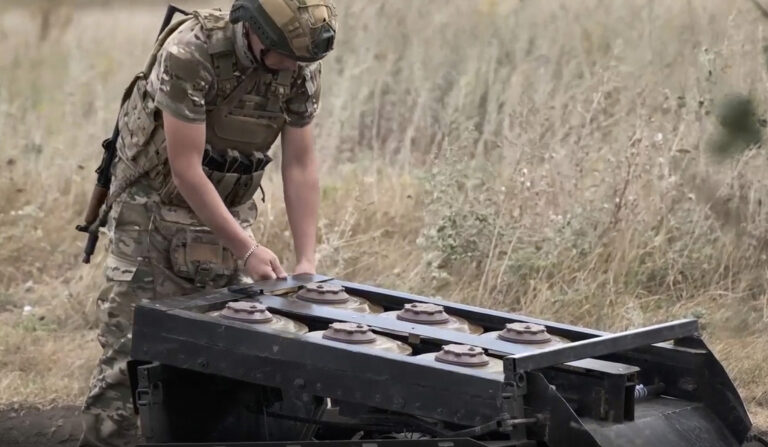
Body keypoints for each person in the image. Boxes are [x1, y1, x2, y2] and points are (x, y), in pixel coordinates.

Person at [78, 0, 337, 445]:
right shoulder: (190, 51)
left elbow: (300, 165)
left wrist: (307, 261)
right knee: (130, 358)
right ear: (255, 33)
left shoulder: (298, 60)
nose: (294, 67)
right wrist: (248, 249)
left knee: (216, 360)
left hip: (228, 214)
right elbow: (185, 168)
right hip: (152, 212)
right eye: (286, 56)